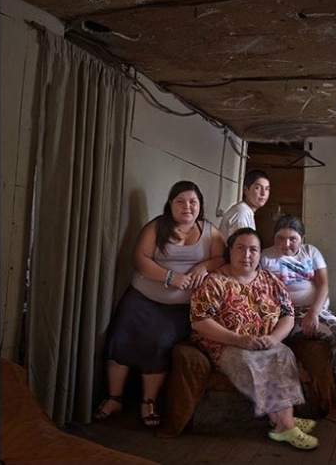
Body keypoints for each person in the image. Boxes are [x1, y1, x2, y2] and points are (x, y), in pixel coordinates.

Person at [96, 180, 226, 429]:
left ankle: (148, 402)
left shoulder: (210, 231)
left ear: (200, 205)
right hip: (140, 300)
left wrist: (203, 266)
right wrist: (169, 277)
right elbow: (139, 258)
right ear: (170, 204)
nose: (187, 206)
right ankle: (114, 398)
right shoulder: (156, 227)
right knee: (120, 338)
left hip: (178, 310)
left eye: (193, 202)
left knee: (158, 345)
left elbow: (221, 258)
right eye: (180, 201)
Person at [190, 228, 319, 450]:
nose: (247, 255)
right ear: (230, 251)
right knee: (253, 361)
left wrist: (274, 338)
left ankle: (281, 421)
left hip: (265, 342)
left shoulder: (269, 280)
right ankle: (286, 424)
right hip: (227, 345)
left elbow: (288, 313)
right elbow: (198, 321)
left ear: (260, 255)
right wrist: (238, 339)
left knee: (283, 354)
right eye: (240, 248)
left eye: (253, 250)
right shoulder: (215, 282)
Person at [260, 214, 336, 409]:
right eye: (280, 238)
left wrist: (314, 312)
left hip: (316, 310)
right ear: (273, 237)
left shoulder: (310, 252)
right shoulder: (266, 257)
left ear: (302, 238)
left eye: (292, 239)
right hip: (290, 314)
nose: (286, 244)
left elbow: (323, 285)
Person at [219, 169, 271, 239]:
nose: (263, 193)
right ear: (246, 190)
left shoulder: (246, 211)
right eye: (258, 188)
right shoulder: (241, 212)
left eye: (267, 189)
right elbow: (241, 246)